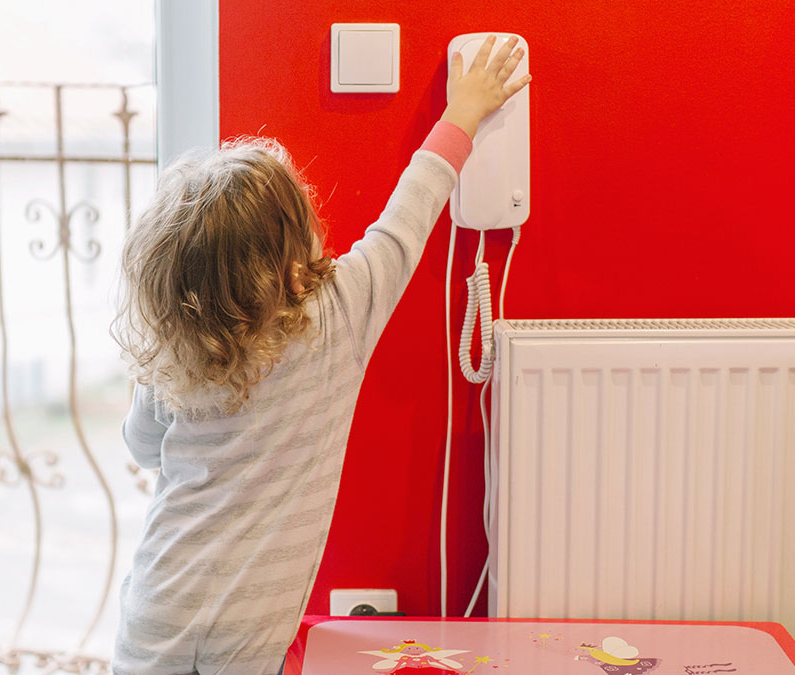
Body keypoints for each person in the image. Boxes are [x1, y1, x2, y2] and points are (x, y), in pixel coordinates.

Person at [110, 35, 531, 675]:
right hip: (251, 624)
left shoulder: (179, 349)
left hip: (158, 606)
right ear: (292, 242)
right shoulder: (337, 315)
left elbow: (142, 448)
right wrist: (464, 111)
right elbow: (408, 214)